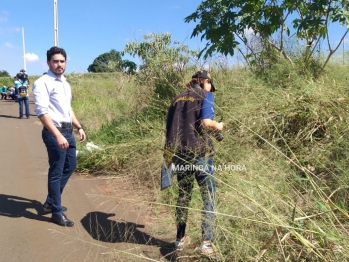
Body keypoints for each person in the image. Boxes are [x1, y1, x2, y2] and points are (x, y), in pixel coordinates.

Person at [164, 70, 224, 258]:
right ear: (205, 82)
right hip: (200, 155)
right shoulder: (206, 95)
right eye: (209, 85)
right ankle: (206, 244)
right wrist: (219, 126)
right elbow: (206, 123)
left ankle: (179, 239)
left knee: (184, 196)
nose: (210, 89)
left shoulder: (176, 99)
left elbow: (169, 128)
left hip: (180, 154)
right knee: (209, 195)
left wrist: (168, 158)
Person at [32, 46, 86, 227]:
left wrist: (78, 126)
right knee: (56, 172)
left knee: (71, 166)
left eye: (62, 61)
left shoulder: (65, 83)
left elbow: (67, 109)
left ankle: (50, 200)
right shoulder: (42, 82)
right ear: (48, 62)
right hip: (54, 134)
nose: (59, 64)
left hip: (68, 132)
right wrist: (57, 136)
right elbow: (42, 113)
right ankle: (56, 211)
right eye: (55, 61)